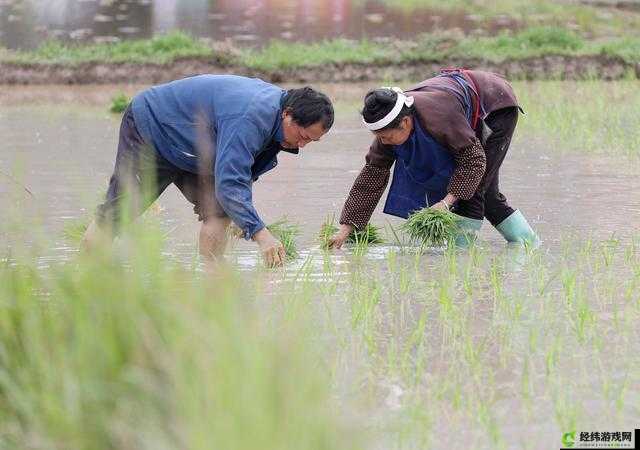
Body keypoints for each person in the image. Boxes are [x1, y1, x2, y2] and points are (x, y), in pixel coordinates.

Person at [81, 75, 334, 267]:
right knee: (119, 212)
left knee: (220, 212)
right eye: (302, 136)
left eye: (311, 141)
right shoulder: (251, 117)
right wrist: (261, 234)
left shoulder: (279, 126)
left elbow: (241, 176)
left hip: (197, 144)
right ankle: (83, 275)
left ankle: (213, 281)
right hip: (152, 129)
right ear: (288, 115)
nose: (302, 145)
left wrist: (241, 217)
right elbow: (230, 183)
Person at [328, 69, 538, 249]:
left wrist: (445, 204)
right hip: (462, 109)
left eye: (387, 137)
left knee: (475, 193)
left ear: (406, 122)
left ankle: (461, 258)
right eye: (379, 138)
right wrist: (345, 230)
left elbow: (473, 160)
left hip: (495, 106)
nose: (385, 142)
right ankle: (528, 245)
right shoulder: (389, 128)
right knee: (481, 192)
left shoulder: (438, 117)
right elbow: (372, 176)